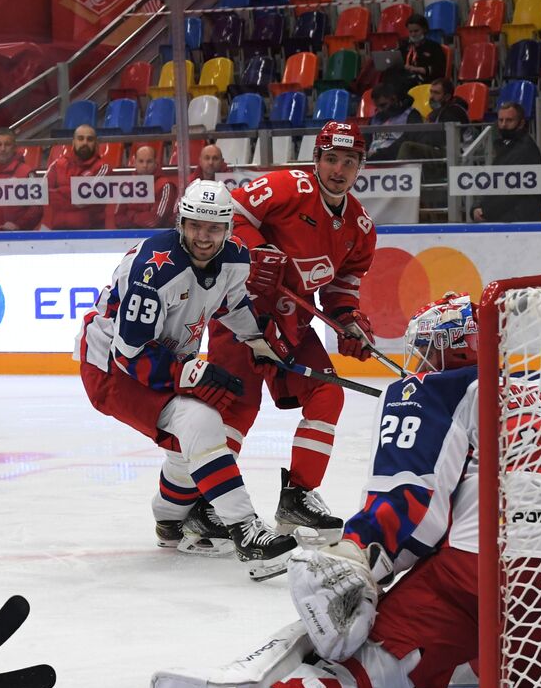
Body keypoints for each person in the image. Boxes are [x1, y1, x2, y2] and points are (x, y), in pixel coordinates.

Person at [137, 295, 541, 688]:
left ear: (456, 349)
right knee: (509, 662)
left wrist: (359, 556)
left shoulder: (440, 387)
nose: (422, 360)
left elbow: (415, 505)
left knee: (369, 655)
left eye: (429, 348)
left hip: (482, 567)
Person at [77, 181, 297, 580]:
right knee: (199, 420)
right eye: (195, 226)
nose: (203, 237)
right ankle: (245, 529)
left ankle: (170, 522)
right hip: (109, 366)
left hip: (156, 356)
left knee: (187, 447)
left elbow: (231, 303)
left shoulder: (234, 260)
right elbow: (129, 353)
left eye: (213, 229)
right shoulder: (153, 271)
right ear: (182, 222)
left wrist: (258, 341)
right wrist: (188, 372)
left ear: (228, 229)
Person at [203, 121, 378, 561]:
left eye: (349, 161)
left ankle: (298, 496)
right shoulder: (285, 187)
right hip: (241, 312)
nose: (339, 169)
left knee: (327, 393)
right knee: (236, 410)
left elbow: (342, 286)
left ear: (360, 167)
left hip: (294, 321)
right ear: (317, 159)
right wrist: (255, 249)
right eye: (332, 159)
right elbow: (232, 215)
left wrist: (348, 321)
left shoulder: (359, 226)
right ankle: (202, 503)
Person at [472, 102, 541, 223]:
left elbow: (511, 192)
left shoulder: (525, 149)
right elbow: (493, 183)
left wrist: (485, 211)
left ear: (521, 123)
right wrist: (476, 207)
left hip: (519, 221)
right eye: (501, 120)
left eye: (509, 120)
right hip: (504, 219)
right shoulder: (504, 146)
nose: (503, 125)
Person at [44, 124, 110, 231]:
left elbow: (84, 199)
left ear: (96, 143)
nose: (85, 142)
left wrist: (59, 191)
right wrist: (74, 192)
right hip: (58, 232)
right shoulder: (57, 164)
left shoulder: (103, 168)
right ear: (73, 142)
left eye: (89, 139)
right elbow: (43, 193)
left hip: (91, 234)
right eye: (80, 138)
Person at [113, 144, 177, 230]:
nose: (145, 165)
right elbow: (118, 219)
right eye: (141, 161)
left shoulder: (165, 186)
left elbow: (155, 221)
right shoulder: (127, 186)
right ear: (134, 163)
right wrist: (141, 217)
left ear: (155, 163)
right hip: (128, 237)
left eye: (149, 161)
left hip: (156, 237)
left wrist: (131, 214)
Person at [365, 82, 422, 162]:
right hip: (370, 162)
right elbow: (365, 142)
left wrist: (379, 154)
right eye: (377, 107)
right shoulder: (375, 119)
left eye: (383, 105)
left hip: (396, 162)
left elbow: (408, 142)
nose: (380, 110)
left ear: (394, 99)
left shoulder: (411, 115)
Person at [396, 14, 446, 89]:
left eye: (416, 31)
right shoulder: (405, 46)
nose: (413, 34)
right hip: (406, 76)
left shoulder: (433, 46)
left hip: (425, 79)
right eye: (410, 32)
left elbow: (439, 69)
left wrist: (418, 69)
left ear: (424, 29)